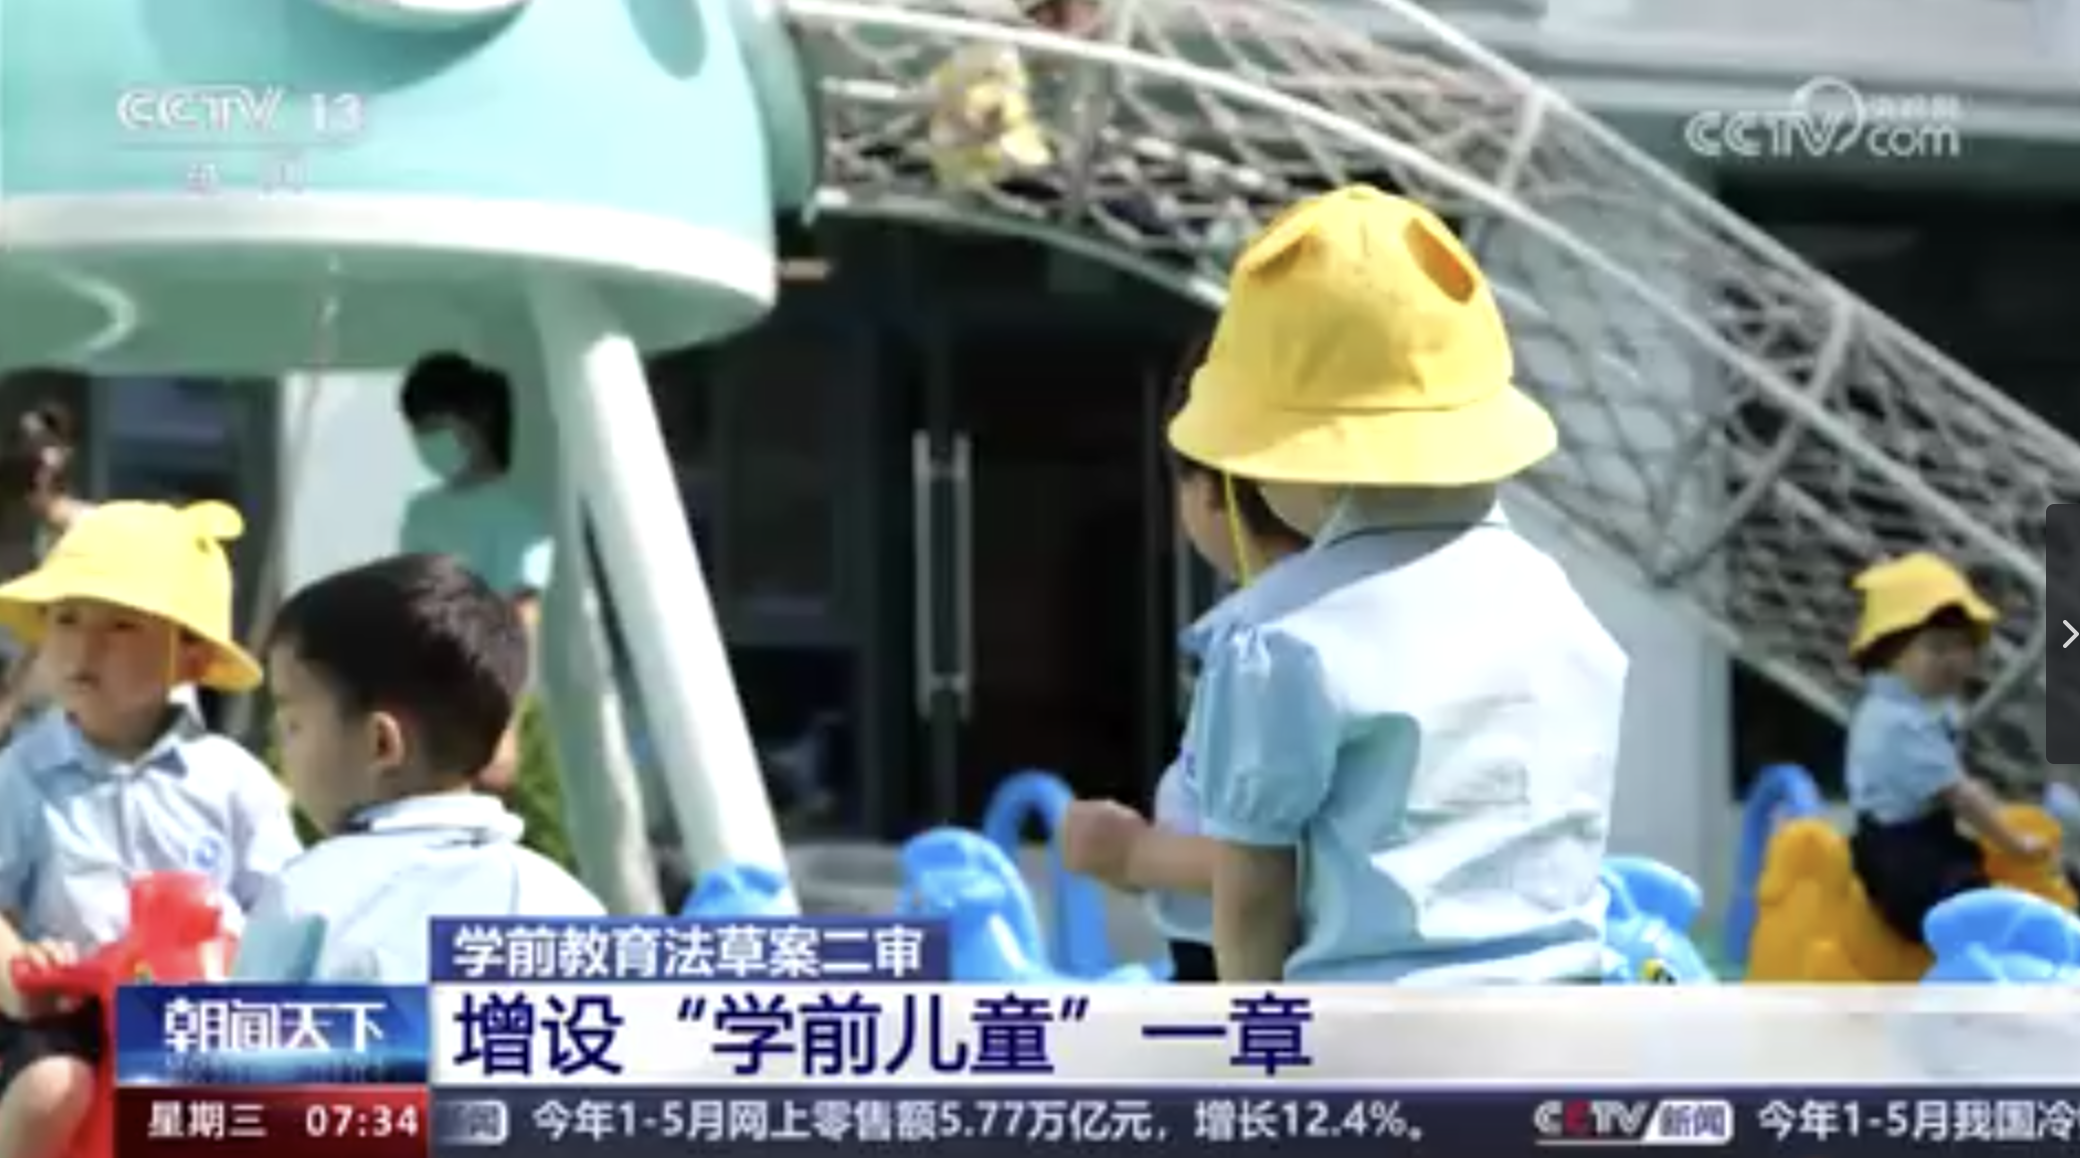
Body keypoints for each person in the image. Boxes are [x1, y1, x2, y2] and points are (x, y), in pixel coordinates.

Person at [1164, 185, 1627, 983]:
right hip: (1566, 1021)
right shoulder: (1558, 605)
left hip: (1367, 1035)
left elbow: (1251, 899)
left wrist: (1255, 1039)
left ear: (1292, 452)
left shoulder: (1279, 637)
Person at [0, 500, 300, 1158]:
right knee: (50, 1088)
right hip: (70, 1012)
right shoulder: (22, 773)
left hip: (201, 1009)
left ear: (190, 655)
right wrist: (19, 976)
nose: (84, 648)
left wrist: (251, 972)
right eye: (66, 619)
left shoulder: (231, 779)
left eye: (121, 626)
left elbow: (287, 908)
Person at [233, 554, 603, 983]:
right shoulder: (563, 904)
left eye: (292, 723)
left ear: (381, 743)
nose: (282, 745)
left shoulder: (307, 899)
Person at [1060, 372, 1309, 983]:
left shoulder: (1270, 643)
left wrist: (1133, 853)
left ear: (1212, 490)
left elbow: (1279, 863)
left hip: (1256, 974)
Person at [1843, 551, 2060, 944]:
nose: (1953, 661)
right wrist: (2015, 843)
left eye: (1963, 646)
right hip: (1903, 857)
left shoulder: (1918, 704)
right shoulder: (1900, 722)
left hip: (1924, 837)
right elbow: (1961, 795)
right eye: (1936, 648)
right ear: (1889, 653)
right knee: (1972, 908)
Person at [396, 353, 548, 795]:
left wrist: (504, 726)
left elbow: (522, 618)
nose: (426, 441)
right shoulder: (421, 513)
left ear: (477, 418)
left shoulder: (518, 512)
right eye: (418, 430)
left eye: (435, 426)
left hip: (485, 698)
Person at [0, 404, 92, 741]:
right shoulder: (13, 525)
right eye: (24, 443)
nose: (36, 457)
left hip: (58, 700)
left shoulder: (85, 525)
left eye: (46, 444)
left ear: (67, 452)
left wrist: (11, 701)